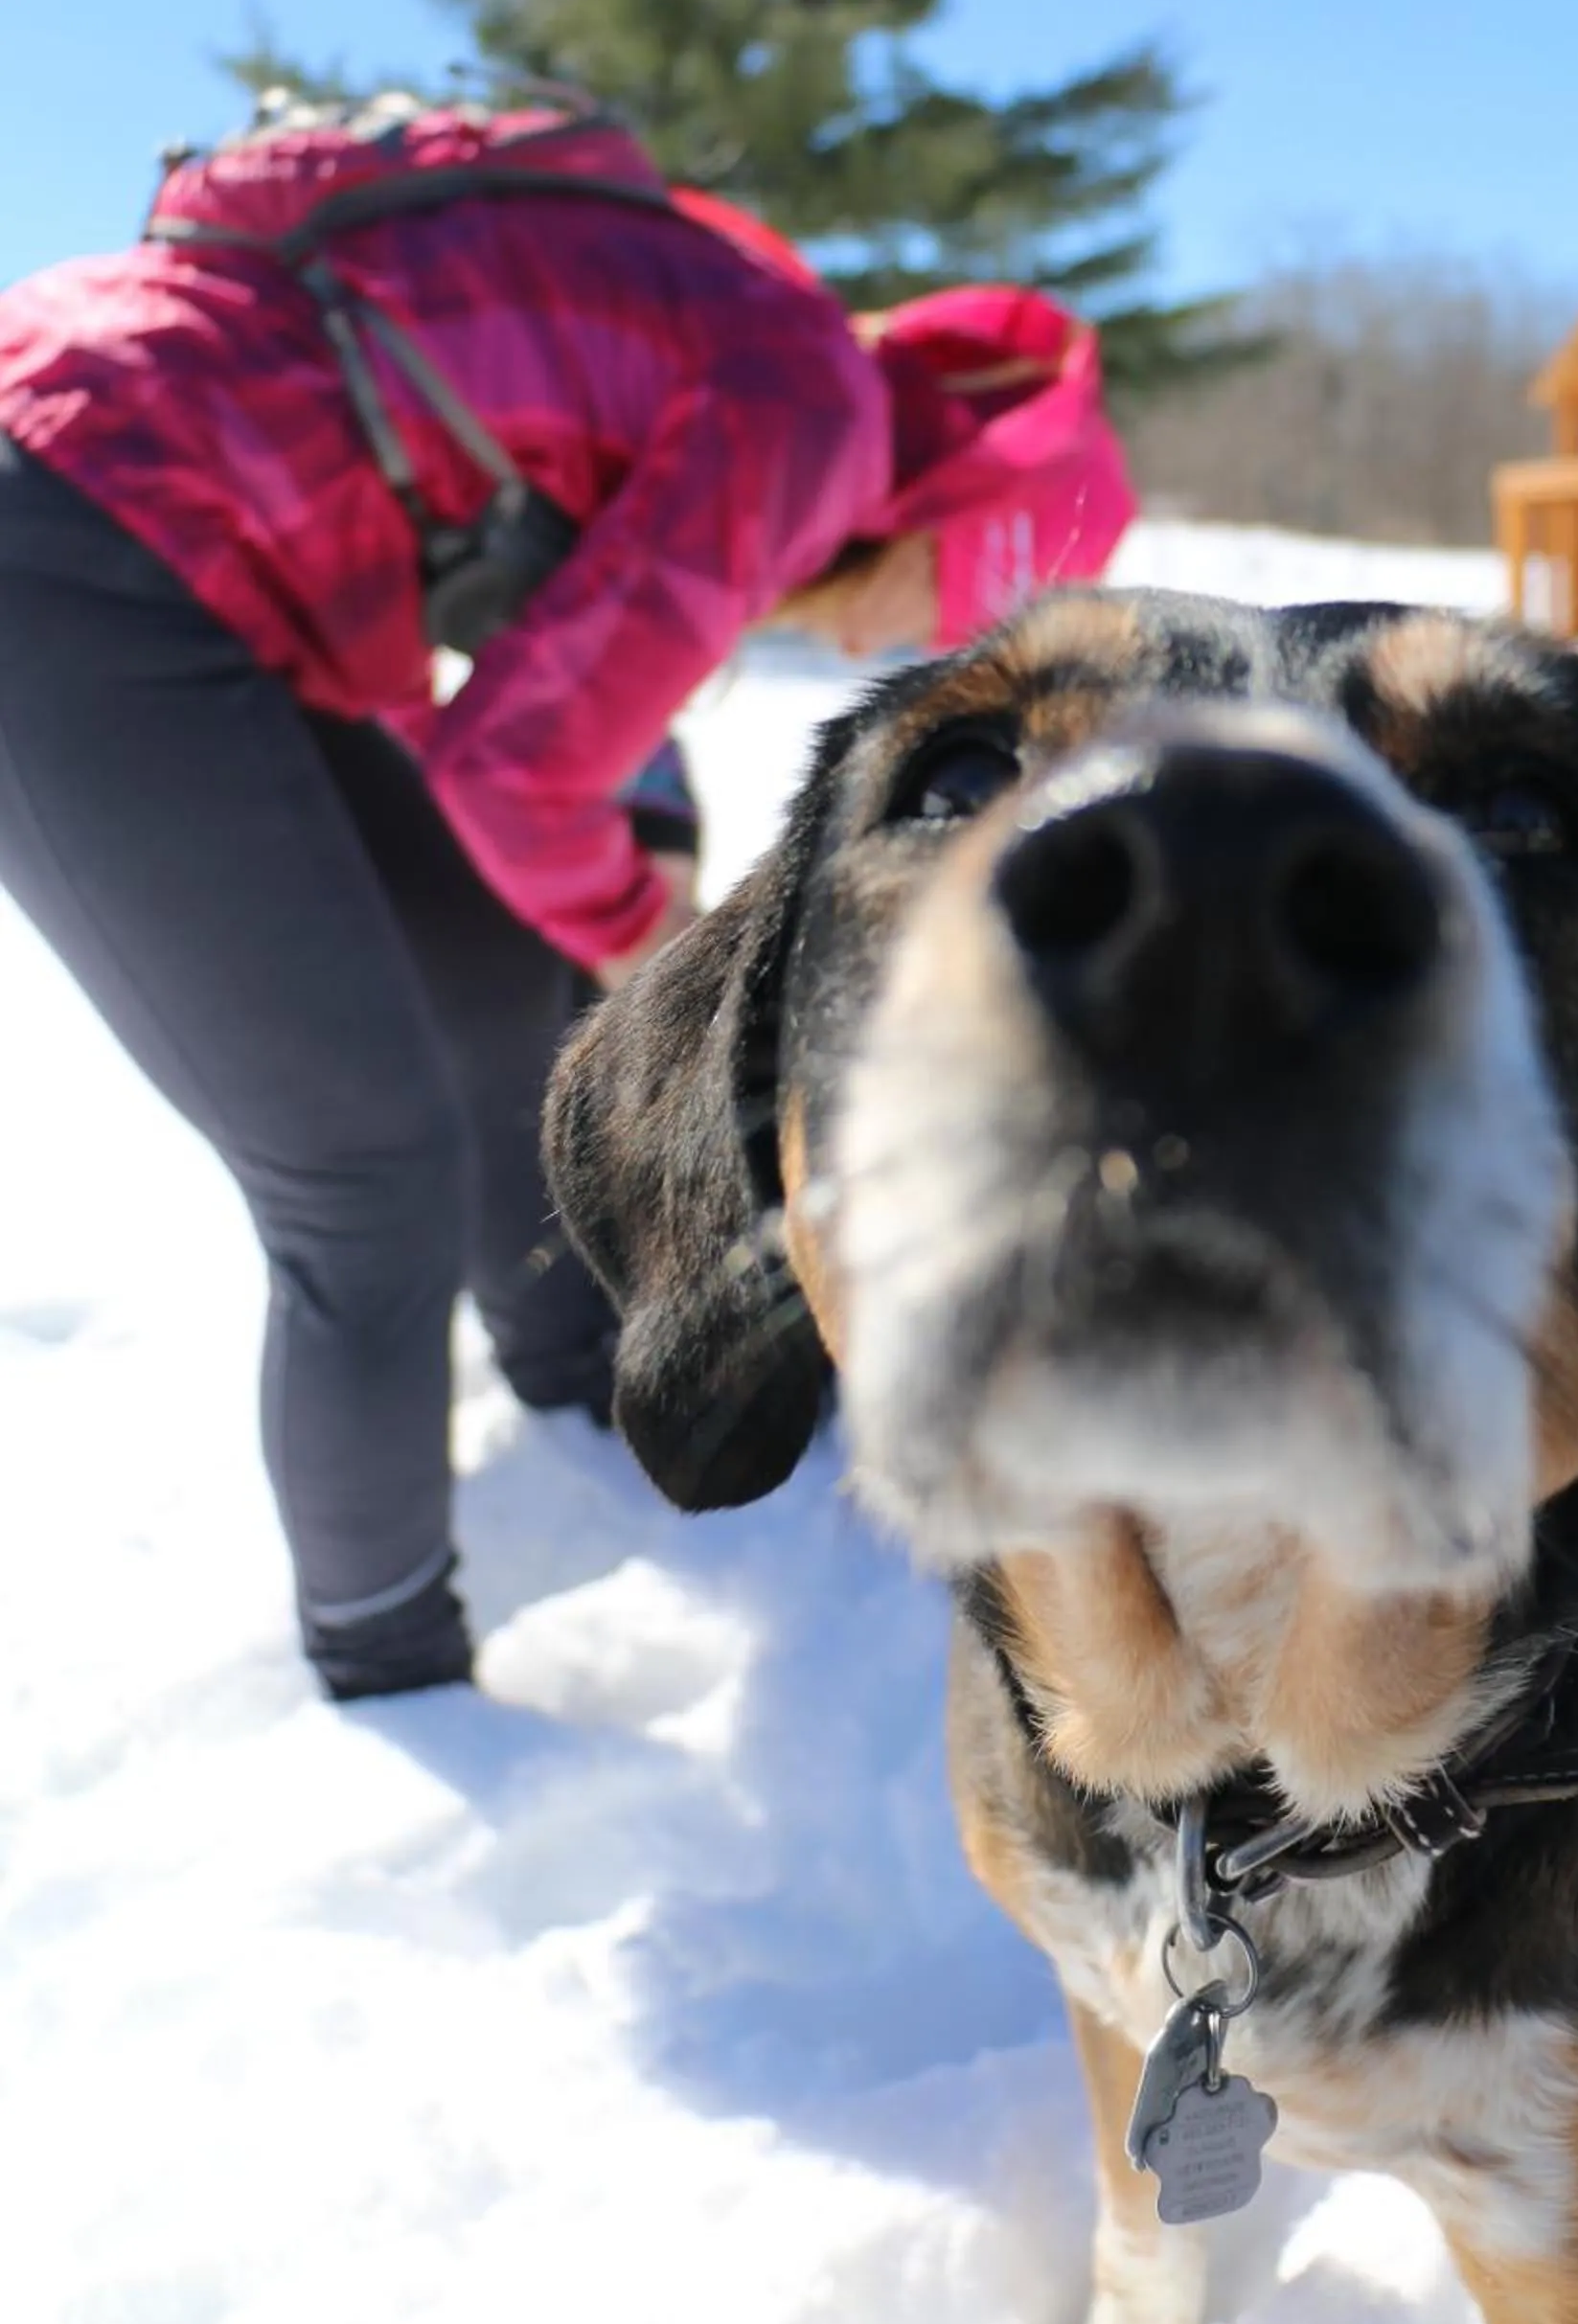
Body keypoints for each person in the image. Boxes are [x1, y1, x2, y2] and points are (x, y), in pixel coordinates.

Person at [0, 98, 1134, 1700]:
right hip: (74, 541)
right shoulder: (814, 420)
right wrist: (663, 959)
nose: (884, 637)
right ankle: (391, 1667)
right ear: (957, 527)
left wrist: (625, 886)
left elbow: (586, 667)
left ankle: (579, 1380)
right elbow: (521, 772)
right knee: (361, 1172)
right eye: (948, 608)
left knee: (488, 995)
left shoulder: (777, 348)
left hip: (186, 525)